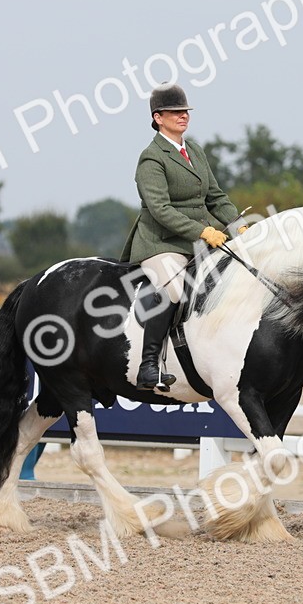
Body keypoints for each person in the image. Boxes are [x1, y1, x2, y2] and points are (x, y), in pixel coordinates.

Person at [120, 83, 246, 389]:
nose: (183, 116)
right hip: (161, 243)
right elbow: (160, 209)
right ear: (158, 117)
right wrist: (203, 230)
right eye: (176, 112)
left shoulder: (195, 151)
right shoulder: (151, 158)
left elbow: (215, 197)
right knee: (175, 290)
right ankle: (149, 365)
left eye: (185, 112)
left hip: (199, 240)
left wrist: (238, 224)